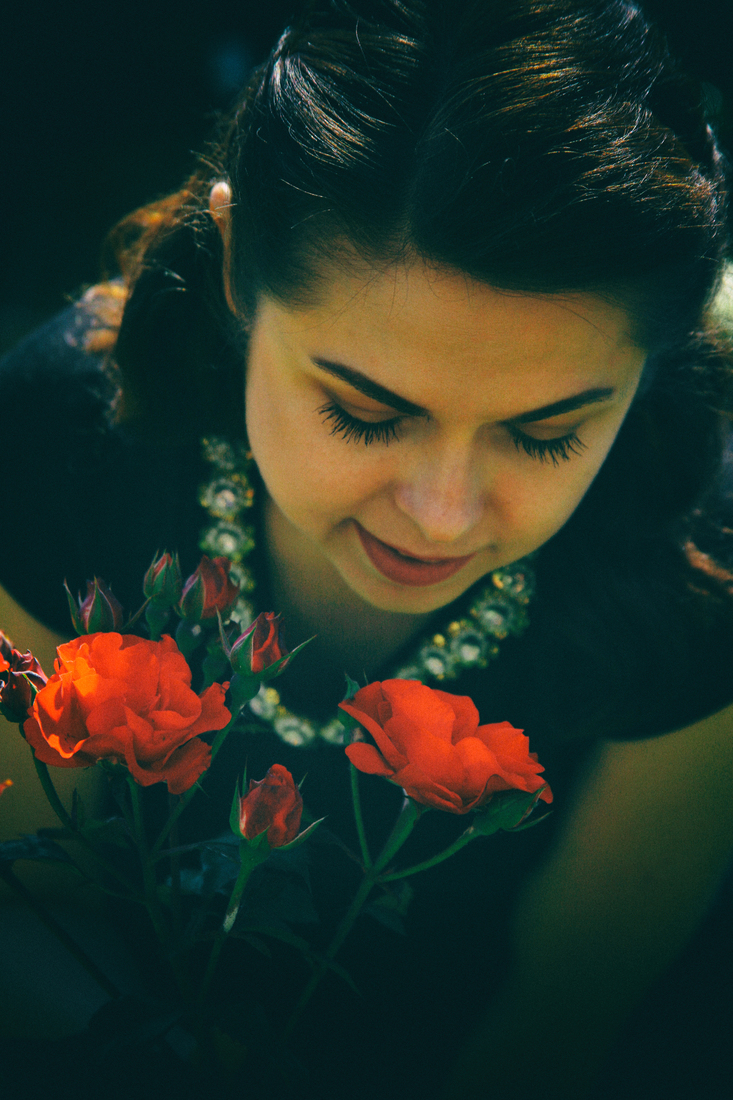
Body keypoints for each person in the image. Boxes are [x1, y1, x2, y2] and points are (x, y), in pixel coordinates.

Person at [1, 1, 733, 1097]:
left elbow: (561, 1023)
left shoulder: (696, 574)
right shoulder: (68, 433)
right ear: (243, 260)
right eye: (362, 412)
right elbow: (26, 881)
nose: (439, 515)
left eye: (544, 433)